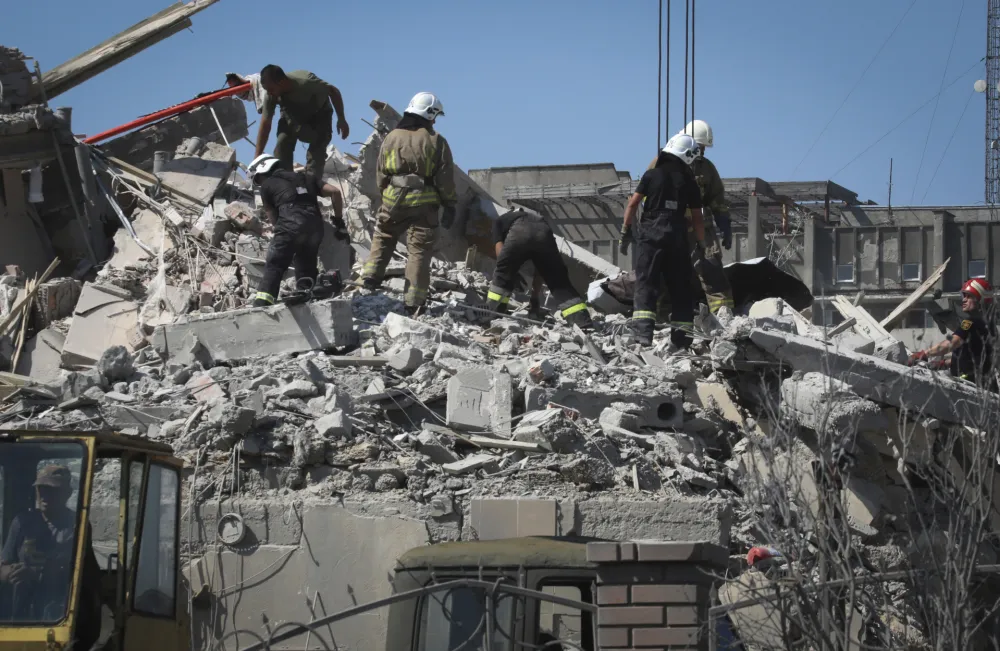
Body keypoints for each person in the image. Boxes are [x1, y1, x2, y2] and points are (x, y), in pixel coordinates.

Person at [360, 92, 458, 315]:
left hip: (393, 199)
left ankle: (370, 278)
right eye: (435, 117)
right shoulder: (436, 140)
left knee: (384, 235)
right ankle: (414, 301)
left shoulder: (392, 137)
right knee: (419, 251)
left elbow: (381, 172)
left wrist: (387, 194)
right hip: (424, 204)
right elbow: (445, 178)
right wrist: (450, 204)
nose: (435, 122)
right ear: (429, 114)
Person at [634, 119, 734, 318]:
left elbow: (717, 198)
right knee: (664, 270)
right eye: (700, 146)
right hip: (670, 225)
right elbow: (646, 197)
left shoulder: (706, 168)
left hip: (700, 226)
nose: (702, 151)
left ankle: (723, 313)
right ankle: (662, 314)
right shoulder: (659, 163)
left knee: (711, 267)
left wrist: (724, 224)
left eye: (704, 148)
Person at [0, 465, 101, 647]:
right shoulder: (22, 523)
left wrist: (37, 573)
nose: (45, 496)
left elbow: (76, 572)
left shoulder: (76, 526)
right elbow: (3, 565)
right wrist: (11, 572)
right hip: (21, 615)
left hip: (60, 615)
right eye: (42, 489)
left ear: (67, 493)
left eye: (53, 490)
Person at [619, 134, 705, 348]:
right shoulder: (689, 181)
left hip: (651, 234)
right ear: (688, 156)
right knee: (681, 288)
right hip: (677, 236)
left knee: (646, 283)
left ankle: (642, 336)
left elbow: (633, 204)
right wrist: (701, 243)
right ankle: (682, 340)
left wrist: (625, 230)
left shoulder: (651, 175)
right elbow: (697, 217)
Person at [248, 154, 348, 307]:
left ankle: (263, 302)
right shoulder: (306, 178)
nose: (260, 183)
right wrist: (339, 222)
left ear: (263, 170)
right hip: (315, 226)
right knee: (306, 264)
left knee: (275, 263)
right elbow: (335, 192)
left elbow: (273, 217)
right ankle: (305, 295)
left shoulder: (268, 185)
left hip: (290, 224)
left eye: (258, 179)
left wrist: (283, 239)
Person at [485, 210, 593, 328]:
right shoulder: (534, 220)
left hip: (520, 230)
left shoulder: (498, 222)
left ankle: (492, 315)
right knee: (559, 281)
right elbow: (540, 269)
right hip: (544, 231)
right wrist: (534, 297)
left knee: (502, 275)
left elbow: (502, 259)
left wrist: (510, 272)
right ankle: (582, 323)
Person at [253, 65, 350, 178]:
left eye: (271, 89)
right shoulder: (271, 95)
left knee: (317, 153)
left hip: (319, 115)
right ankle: (285, 180)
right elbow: (265, 124)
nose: (269, 93)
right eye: (267, 90)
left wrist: (341, 119)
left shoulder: (307, 82)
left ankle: (312, 183)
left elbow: (333, 91)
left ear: (281, 82)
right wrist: (257, 157)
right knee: (282, 143)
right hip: (292, 116)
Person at [910, 277, 997, 388]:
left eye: (969, 296)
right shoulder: (989, 325)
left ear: (980, 299)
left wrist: (923, 354)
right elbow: (972, 357)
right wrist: (943, 363)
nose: (964, 300)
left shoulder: (971, 322)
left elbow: (952, 343)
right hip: (986, 386)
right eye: (964, 296)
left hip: (971, 385)